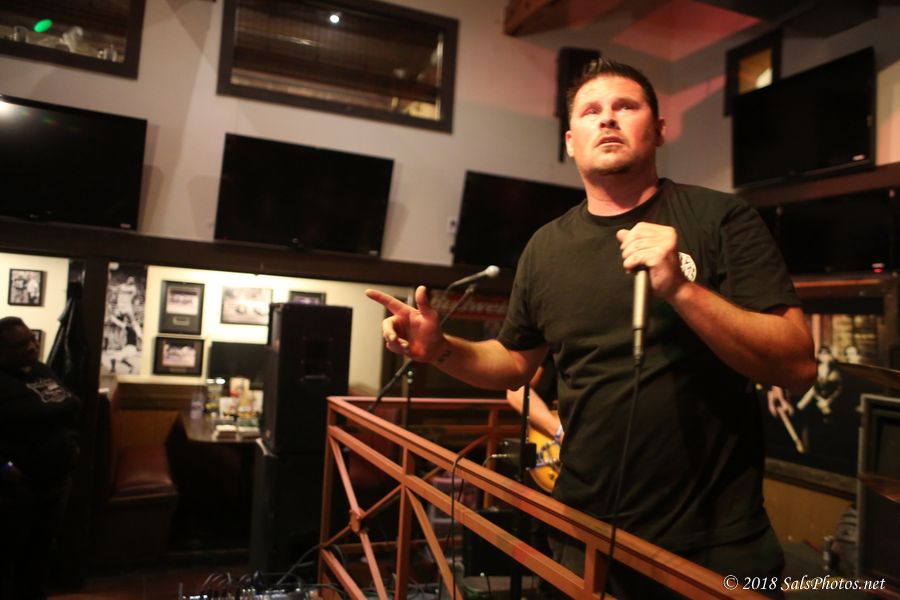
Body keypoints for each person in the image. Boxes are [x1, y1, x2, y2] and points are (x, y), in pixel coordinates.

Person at [367, 58, 815, 598]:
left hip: (716, 543)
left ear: (659, 129)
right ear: (571, 142)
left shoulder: (722, 218)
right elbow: (513, 363)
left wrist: (681, 289)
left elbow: (797, 365)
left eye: (626, 106)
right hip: (583, 531)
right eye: (591, 111)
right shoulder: (546, 248)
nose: (607, 119)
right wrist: (441, 348)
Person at [0, 317, 81, 600]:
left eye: (32, 339)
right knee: (9, 559)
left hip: (54, 482)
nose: (32, 347)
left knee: (39, 554)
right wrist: (5, 468)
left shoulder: (41, 371)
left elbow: (69, 404)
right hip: (16, 491)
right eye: (20, 344)